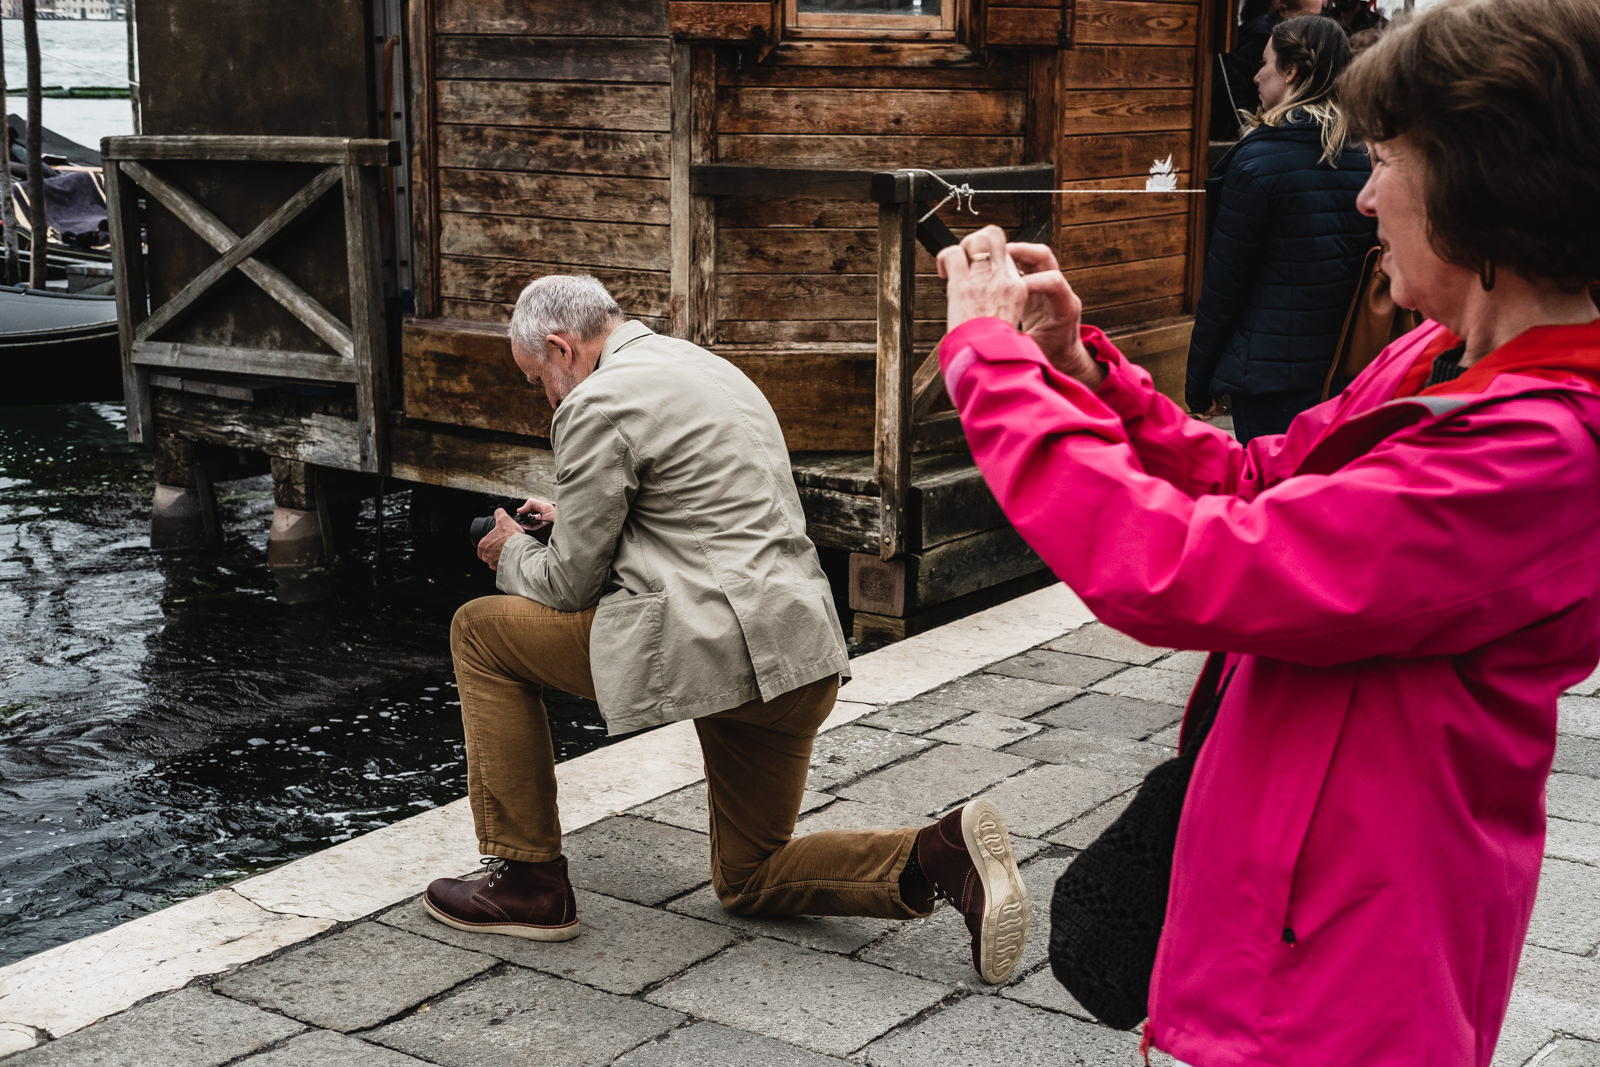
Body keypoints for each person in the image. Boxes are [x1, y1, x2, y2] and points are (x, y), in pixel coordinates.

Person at [930, 0, 1600, 1058]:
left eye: (1387, 162)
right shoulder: (1438, 359)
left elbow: (1180, 568)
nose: (1369, 195)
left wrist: (992, 368)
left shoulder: (1540, 450)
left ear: (1483, 192)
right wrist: (1089, 375)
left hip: (1357, 952)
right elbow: (1254, 478)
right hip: (1292, 887)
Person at [424, 275, 1031, 985]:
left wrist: (510, 550)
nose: (547, 398)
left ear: (562, 346)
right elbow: (698, 514)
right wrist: (568, 518)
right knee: (750, 875)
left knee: (480, 632)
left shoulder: (593, 402)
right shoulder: (713, 370)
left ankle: (528, 880)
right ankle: (937, 854)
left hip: (709, 652)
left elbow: (567, 583)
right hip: (799, 649)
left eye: (540, 380)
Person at [1187, 15, 1376, 441]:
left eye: (1265, 62)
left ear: (1291, 71)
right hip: (1347, 372)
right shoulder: (1366, 160)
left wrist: (1200, 383)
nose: (1255, 74)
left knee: (1269, 496)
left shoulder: (1256, 163)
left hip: (1269, 380)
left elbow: (1224, 285)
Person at [1209, 0, 1325, 140]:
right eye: (1307, 16)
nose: (1312, 25)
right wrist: (1249, 129)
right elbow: (1232, 84)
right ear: (1283, 10)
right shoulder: (1262, 37)